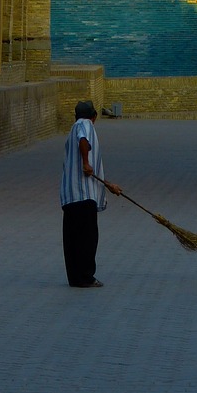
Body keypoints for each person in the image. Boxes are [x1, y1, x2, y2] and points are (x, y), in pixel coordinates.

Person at [60, 100, 121, 288]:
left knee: (72, 239)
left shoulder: (74, 126)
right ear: (94, 116)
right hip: (83, 195)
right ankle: (86, 277)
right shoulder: (84, 124)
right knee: (87, 238)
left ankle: (76, 278)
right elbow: (83, 140)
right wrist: (86, 163)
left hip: (71, 195)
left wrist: (108, 185)